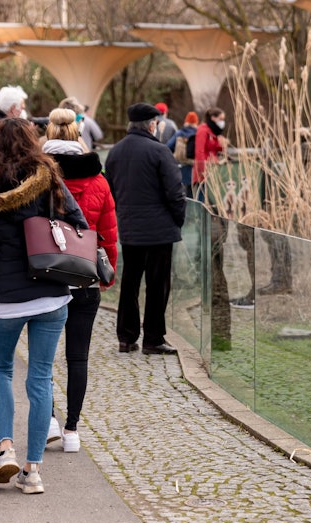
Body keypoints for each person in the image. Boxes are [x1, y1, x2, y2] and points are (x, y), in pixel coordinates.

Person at [0, 117, 88, 495]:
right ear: (32, 143)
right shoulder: (50, 180)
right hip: (52, 292)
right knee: (41, 377)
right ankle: (32, 470)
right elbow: (78, 223)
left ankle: (5, 450)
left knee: (0, 370)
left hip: (6, 299)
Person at [43, 108, 118, 451]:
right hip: (85, 276)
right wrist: (108, 273)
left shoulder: (37, 175)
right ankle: (72, 430)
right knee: (78, 357)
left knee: (41, 359)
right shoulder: (98, 179)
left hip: (44, 276)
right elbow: (109, 232)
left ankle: (48, 422)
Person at [105, 102, 185, 354]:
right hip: (159, 231)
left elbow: (112, 191)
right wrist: (177, 220)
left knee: (129, 282)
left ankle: (126, 337)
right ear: (152, 125)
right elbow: (175, 192)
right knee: (157, 285)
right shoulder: (159, 151)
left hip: (130, 228)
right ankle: (153, 338)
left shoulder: (115, 152)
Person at [192, 107, 227, 202]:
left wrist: (223, 145)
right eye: (220, 119)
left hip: (213, 169)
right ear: (213, 118)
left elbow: (215, 149)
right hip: (204, 171)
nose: (222, 122)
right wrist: (202, 170)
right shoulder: (203, 131)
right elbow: (199, 151)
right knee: (202, 199)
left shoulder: (214, 131)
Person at [167, 110, 197, 197]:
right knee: (193, 192)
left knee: (181, 191)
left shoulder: (179, 133)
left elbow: (168, 146)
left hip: (180, 166)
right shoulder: (198, 133)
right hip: (194, 167)